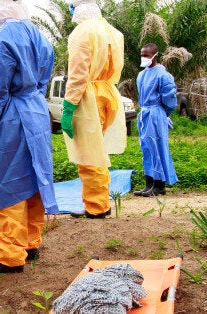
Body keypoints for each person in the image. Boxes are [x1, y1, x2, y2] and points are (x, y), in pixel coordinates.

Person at [0, 0, 58, 275]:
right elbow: (43, 80)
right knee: (34, 177)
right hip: (37, 112)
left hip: (11, 117)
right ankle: (30, 243)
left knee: (7, 180)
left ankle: (10, 255)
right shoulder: (40, 37)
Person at [61, 0, 127, 219]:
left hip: (89, 97)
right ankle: (100, 201)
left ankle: (96, 206)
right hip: (108, 91)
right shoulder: (113, 32)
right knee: (98, 150)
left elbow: (78, 74)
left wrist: (69, 106)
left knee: (89, 153)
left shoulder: (82, 32)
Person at [133, 43, 178, 196]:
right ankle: (149, 183)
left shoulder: (163, 75)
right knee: (147, 148)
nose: (143, 57)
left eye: (146, 55)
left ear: (155, 55)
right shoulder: (142, 74)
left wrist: (164, 113)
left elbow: (170, 97)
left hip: (156, 113)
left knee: (157, 147)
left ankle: (159, 185)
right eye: (142, 54)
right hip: (145, 113)